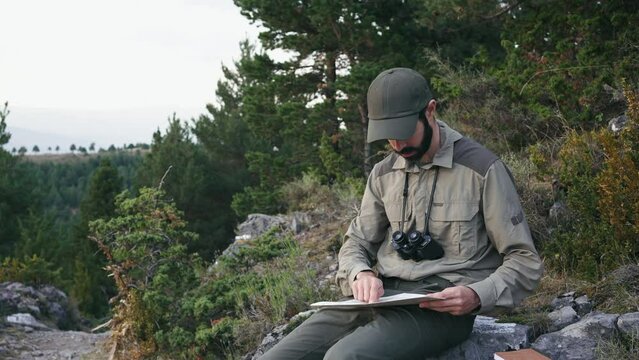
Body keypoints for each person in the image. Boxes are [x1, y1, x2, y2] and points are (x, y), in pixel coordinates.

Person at [260, 67, 543, 359]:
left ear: (430, 110)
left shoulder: (482, 170)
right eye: (388, 137)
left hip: (440, 309)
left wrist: (476, 295)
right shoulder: (383, 174)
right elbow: (357, 242)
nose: (397, 145)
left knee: (344, 358)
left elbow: (525, 261)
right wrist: (360, 275)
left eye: (404, 132)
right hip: (379, 298)